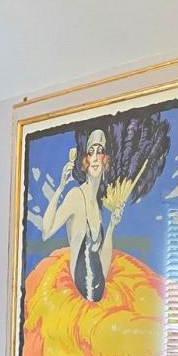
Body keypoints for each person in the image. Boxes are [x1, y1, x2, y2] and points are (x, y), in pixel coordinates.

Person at [36, 127, 114, 301]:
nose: (95, 157)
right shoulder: (75, 196)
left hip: (99, 298)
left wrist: (112, 226)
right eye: (91, 152)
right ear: (85, 160)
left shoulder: (98, 205)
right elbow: (46, 231)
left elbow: (102, 264)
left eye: (100, 151)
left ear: (105, 160)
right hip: (78, 299)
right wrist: (60, 188)